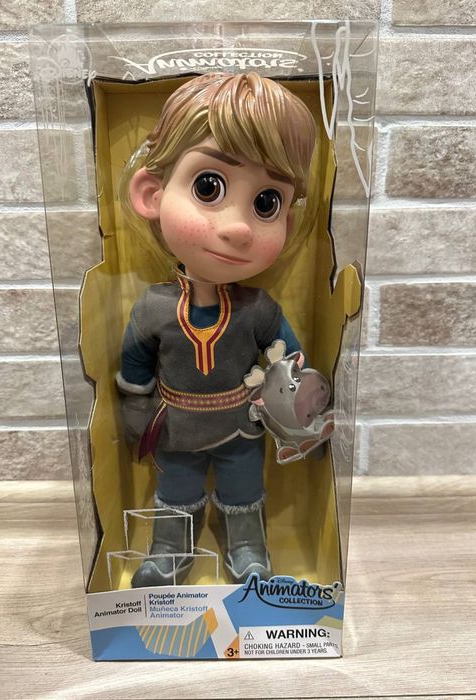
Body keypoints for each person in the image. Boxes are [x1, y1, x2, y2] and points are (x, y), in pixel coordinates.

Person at [116, 72, 317, 587]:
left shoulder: (258, 309)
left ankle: (247, 546)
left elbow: (291, 364)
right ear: (151, 194)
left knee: (243, 489)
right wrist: (135, 412)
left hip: (241, 427)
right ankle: (170, 549)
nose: (238, 227)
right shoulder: (154, 307)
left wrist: (300, 408)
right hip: (176, 429)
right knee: (176, 491)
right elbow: (135, 366)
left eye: (266, 202)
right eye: (209, 187)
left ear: (288, 221)